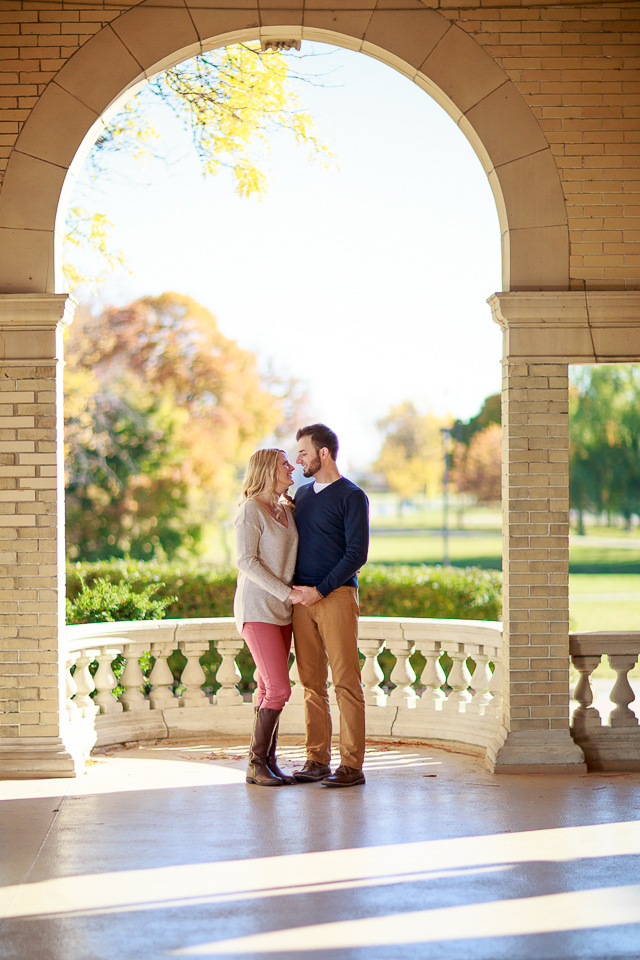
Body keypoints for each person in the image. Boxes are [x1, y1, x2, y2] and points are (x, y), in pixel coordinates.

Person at [291, 424, 369, 788]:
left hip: (334, 596)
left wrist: (319, 591)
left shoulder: (352, 496)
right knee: (310, 683)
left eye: (304, 453)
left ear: (323, 453)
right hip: (300, 601)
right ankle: (316, 759)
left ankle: (351, 766)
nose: (298, 460)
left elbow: (357, 555)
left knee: (346, 683)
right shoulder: (300, 496)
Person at [234, 449, 302, 786]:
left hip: (283, 610)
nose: (291, 468)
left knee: (266, 686)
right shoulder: (250, 510)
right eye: (284, 464)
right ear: (266, 470)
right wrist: (286, 592)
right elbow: (246, 561)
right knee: (279, 688)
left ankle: (267, 763)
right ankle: (255, 764)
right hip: (258, 607)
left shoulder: (287, 508)